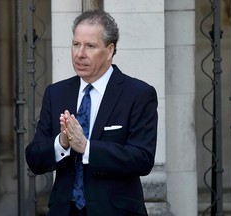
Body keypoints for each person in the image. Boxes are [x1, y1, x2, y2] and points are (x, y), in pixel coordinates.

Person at [25, 9, 158, 216]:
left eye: (90, 46)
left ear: (110, 50)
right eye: (76, 44)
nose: (80, 54)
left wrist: (87, 148)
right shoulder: (56, 93)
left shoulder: (138, 94)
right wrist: (62, 143)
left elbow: (142, 158)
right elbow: (34, 158)